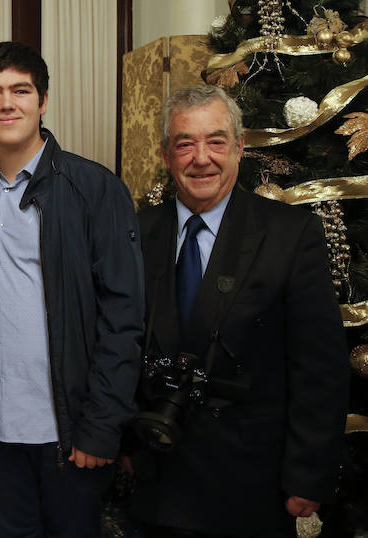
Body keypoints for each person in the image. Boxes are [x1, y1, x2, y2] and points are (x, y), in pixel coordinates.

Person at [128, 85, 350, 537]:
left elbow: (320, 368)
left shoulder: (289, 234)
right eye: (185, 143)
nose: (201, 157)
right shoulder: (134, 232)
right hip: (157, 478)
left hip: (251, 483)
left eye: (216, 141)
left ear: (240, 147)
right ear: (167, 154)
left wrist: (307, 476)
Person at [0, 41, 145, 537]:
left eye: (21, 90)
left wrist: (102, 426)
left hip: (66, 430)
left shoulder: (94, 188)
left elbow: (123, 317)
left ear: (43, 101)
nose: (6, 103)